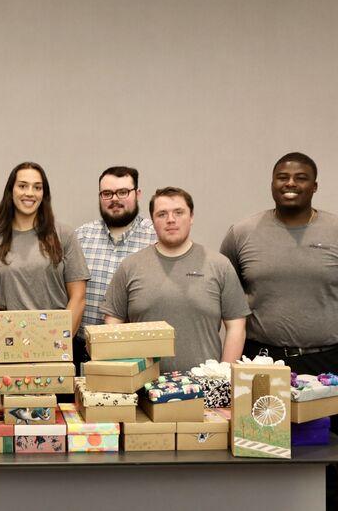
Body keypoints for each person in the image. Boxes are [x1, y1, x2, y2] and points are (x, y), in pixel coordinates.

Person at [101, 187, 249, 372]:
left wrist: (224, 378)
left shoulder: (219, 265)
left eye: (178, 212)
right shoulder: (130, 267)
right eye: (162, 214)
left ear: (191, 216)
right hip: (143, 389)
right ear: (153, 221)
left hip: (203, 389)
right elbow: (112, 324)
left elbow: (236, 326)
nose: (171, 220)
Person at [220, 152, 338, 375]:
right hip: (261, 360)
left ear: (315, 186)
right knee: (258, 412)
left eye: (301, 177)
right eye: (282, 177)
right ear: (272, 184)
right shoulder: (242, 233)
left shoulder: (335, 230)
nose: (290, 183)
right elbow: (226, 299)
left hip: (328, 362)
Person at [0, 162, 90, 363]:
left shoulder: (64, 236)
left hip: (57, 352)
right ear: (11, 191)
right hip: (12, 352)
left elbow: (78, 297)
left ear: (44, 194)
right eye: (23, 186)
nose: (30, 193)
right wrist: (12, 344)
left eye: (37, 187)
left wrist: (55, 343)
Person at [74, 166, 156, 367]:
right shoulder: (81, 237)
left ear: (137, 194)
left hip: (136, 355)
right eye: (107, 193)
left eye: (123, 192)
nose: (115, 199)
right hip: (82, 353)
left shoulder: (155, 239)